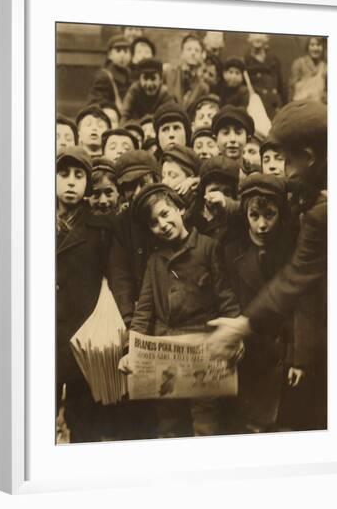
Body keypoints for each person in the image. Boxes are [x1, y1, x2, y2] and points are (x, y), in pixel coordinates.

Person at [208, 100, 328, 431]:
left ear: (309, 156)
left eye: (286, 160)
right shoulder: (318, 202)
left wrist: (241, 325)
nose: (285, 171)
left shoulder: (322, 210)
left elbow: (295, 278)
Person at [119, 184, 240, 437]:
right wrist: (131, 351)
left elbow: (226, 298)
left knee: (206, 422)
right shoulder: (155, 261)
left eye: (165, 214)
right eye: (153, 223)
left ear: (181, 209)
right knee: (169, 423)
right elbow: (144, 312)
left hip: (203, 349)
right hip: (165, 355)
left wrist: (234, 334)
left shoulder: (207, 248)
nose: (162, 225)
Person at [223, 173, 296, 433]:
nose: (262, 225)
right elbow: (227, 298)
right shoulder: (231, 253)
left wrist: (295, 354)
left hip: (283, 351)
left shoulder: (293, 253)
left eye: (270, 216)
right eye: (255, 216)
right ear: (245, 215)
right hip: (248, 353)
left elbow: (299, 309)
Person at [56, 146, 112, 442]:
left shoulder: (100, 229)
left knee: (84, 427)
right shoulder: (29, 220)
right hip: (43, 337)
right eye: (63, 174)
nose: (70, 181)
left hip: (84, 339)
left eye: (79, 175)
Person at [107, 150, 161, 326]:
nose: (138, 192)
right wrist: (128, 318)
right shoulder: (121, 224)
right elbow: (120, 274)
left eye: (143, 183)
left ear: (156, 180)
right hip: (137, 315)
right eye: (130, 186)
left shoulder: (170, 216)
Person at [188, 155, 241, 243]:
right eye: (214, 190)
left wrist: (227, 204)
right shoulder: (191, 219)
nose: (219, 197)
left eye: (227, 193)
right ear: (203, 192)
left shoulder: (238, 221)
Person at [244, 34, 286, 119]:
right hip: (258, 105)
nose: (258, 39)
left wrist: (284, 105)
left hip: (274, 104)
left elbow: (280, 85)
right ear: (249, 39)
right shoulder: (246, 60)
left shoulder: (273, 59)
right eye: (254, 35)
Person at [163, 33, 209, 109]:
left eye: (197, 50)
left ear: (201, 56)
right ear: (182, 53)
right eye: (189, 49)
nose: (193, 53)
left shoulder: (203, 87)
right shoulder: (168, 73)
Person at [87, 35, 132, 109]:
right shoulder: (104, 76)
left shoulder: (130, 75)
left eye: (126, 51)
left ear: (131, 55)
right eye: (118, 51)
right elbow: (96, 103)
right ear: (110, 55)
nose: (122, 55)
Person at [211, 105, 255, 174]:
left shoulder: (254, 175)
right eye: (226, 133)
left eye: (238, 133)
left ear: (248, 139)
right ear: (215, 139)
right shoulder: (209, 174)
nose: (232, 139)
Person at [288, 37, 327, 103]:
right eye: (312, 45)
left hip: (319, 105)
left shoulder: (324, 66)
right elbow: (292, 88)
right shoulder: (299, 63)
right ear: (307, 47)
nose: (315, 48)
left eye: (318, 45)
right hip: (302, 104)